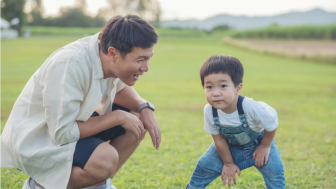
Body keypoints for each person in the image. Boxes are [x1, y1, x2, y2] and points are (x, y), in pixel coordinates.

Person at [1, 15, 161, 189]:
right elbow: (62, 133)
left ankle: (98, 184)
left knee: (137, 117)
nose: (146, 68)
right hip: (42, 139)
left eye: (148, 58)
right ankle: (39, 185)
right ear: (113, 53)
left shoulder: (105, 54)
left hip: (72, 128)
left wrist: (144, 107)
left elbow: (120, 87)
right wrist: (118, 117)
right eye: (140, 60)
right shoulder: (69, 63)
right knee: (105, 159)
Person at [186, 55, 285, 189]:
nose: (215, 93)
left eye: (223, 86)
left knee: (275, 173)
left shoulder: (250, 107)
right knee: (204, 165)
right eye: (209, 87)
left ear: (238, 88)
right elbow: (219, 140)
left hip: (259, 144)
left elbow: (271, 124)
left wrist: (265, 146)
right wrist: (228, 164)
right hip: (228, 146)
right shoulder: (210, 110)